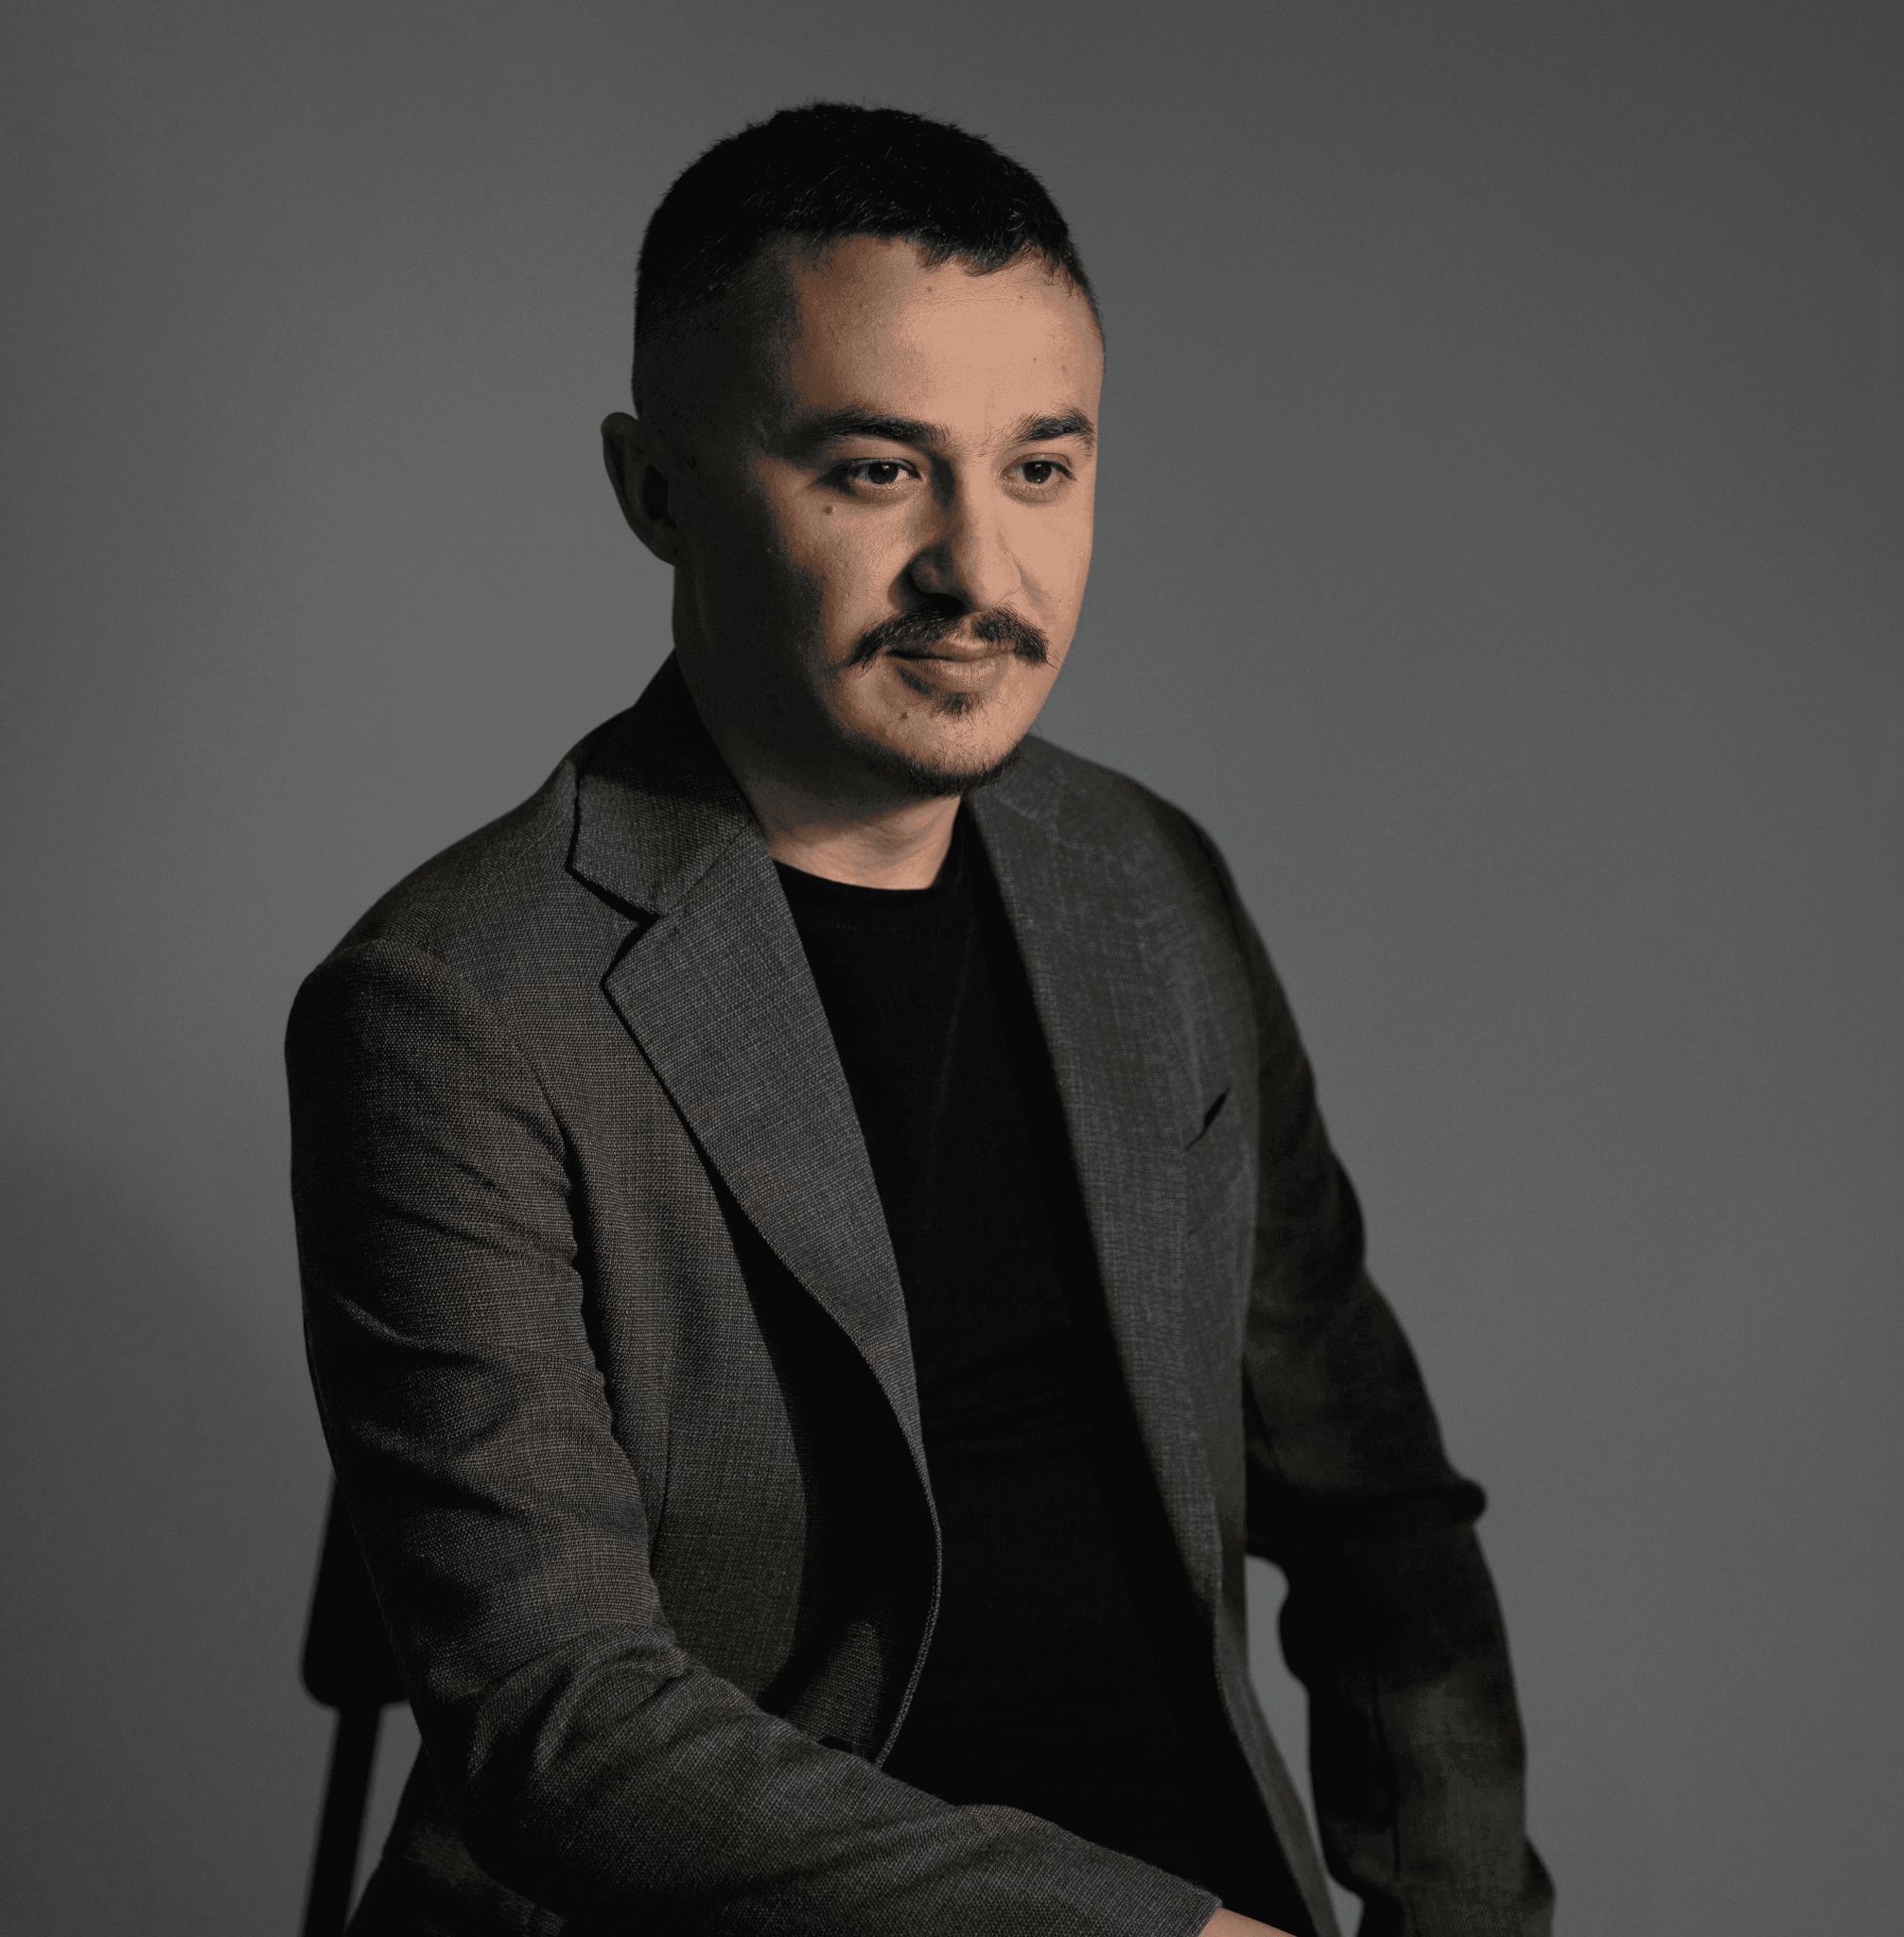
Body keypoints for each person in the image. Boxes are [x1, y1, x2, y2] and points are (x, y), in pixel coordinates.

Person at [288, 102, 1554, 1937]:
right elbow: (564, 1726)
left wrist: (1458, 1916)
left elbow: (1379, 1509)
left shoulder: (1145, 884)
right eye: (878, 471)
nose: (977, 568)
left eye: (1039, 468)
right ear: (655, 490)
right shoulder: (448, 1008)